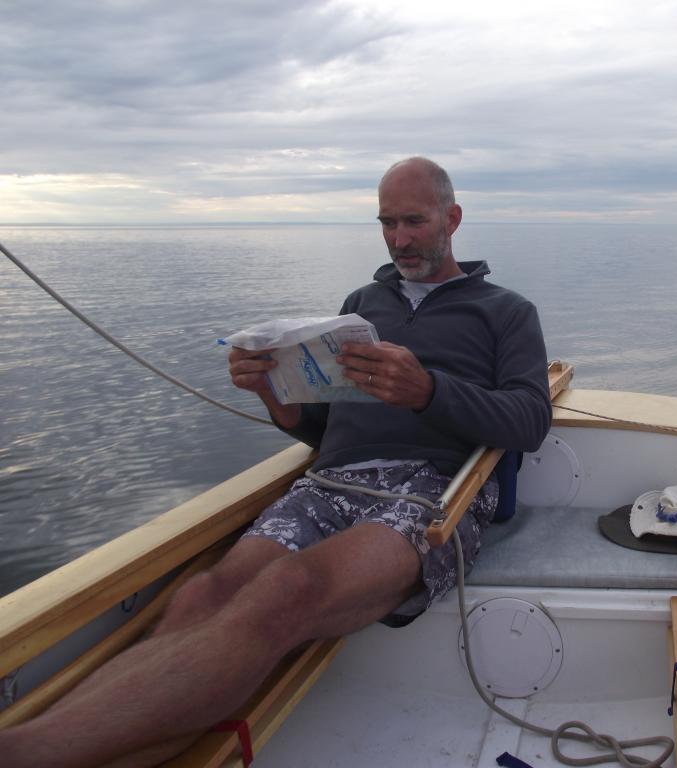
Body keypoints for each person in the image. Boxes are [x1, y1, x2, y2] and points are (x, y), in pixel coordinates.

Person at [0, 157, 551, 768]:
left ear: (452, 218)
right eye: (386, 223)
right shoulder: (363, 303)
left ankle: (25, 750)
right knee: (202, 595)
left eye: (414, 222)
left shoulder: (505, 311)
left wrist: (427, 390)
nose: (399, 239)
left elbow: (529, 421)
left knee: (287, 589)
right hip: (331, 479)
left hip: (430, 489)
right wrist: (270, 390)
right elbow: (321, 429)